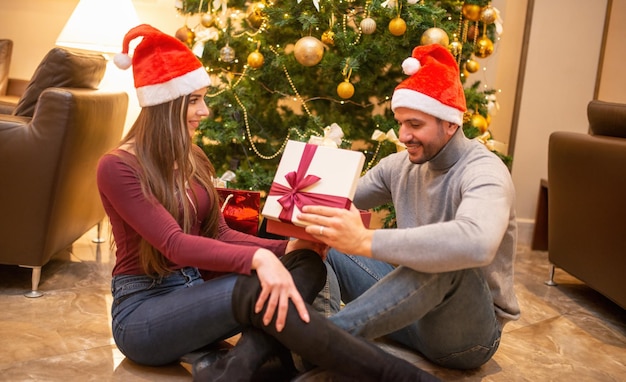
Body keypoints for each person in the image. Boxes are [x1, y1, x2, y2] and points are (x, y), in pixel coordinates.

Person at [97, 24, 438, 382]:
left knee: (307, 263)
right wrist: (260, 258)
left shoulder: (192, 157)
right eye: (194, 100)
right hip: (143, 313)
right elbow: (174, 244)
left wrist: (286, 247)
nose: (205, 111)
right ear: (166, 104)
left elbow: (221, 234)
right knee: (258, 288)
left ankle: (237, 367)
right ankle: (400, 377)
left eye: (203, 99)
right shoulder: (118, 166)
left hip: (194, 295)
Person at [298, 44, 521, 371]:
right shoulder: (400, 165)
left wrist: (365, 241)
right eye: (401, 123)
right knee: (325, 231)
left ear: (450, 124)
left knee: (448, 258)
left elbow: (477, 242)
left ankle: (321, 340)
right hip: (408, 315)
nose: (403, 135)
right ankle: (331, 337)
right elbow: (337, 199)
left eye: (415, 124)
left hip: (466, 336)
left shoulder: (484, 171)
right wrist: (302, 188)